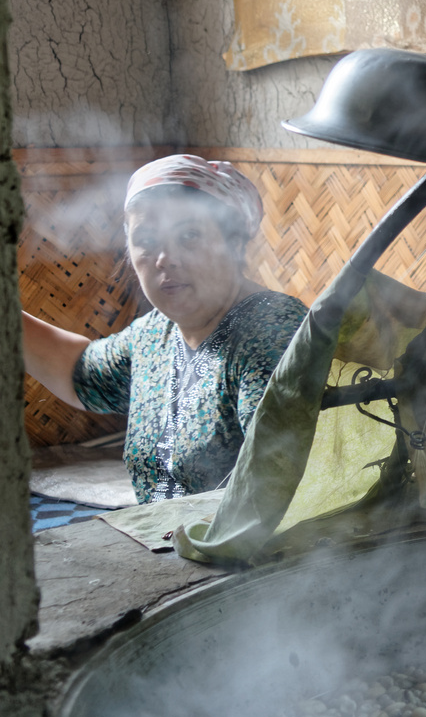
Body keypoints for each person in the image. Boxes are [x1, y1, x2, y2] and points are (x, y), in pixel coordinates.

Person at [23, 155, 307, 503]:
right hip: (165, 549)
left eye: (189, 235)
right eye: (146, 239)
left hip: (248, 554)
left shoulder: (272, 330)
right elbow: (85, 375)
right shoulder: (155, 334)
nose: (165, 258)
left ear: (234, 244)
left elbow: (281, 480)